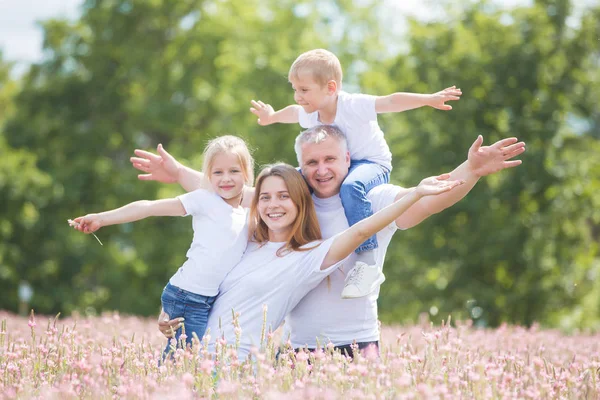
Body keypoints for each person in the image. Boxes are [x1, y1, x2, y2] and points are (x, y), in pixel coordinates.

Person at [131, 125, 525, 358]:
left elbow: (430, 198)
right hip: (297, 347)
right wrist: (179, 171)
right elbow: (230, 194)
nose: (321, 170)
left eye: (330, 160)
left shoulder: (374, 200)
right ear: (301, 165)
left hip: (356, 343)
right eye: (311, 163)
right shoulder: (289, 203)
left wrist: (471, 170)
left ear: (348, 159)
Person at [249, 48, 463, 299]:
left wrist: (427, 99)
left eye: (304, 90)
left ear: (330, 87)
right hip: (338, 165)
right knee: (289, 183)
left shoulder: (352, 105)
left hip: (371, 164)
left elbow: (390, 101)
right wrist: (271, 117)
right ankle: (286, 245)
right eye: (295, 89)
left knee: (352, 188)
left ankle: (367, 259)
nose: (297, 96)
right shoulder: (309, 114)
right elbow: (291, 113)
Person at [69, 135, 254, 357]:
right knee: (183, 359)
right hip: (188, 296)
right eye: (218, 172)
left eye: (234, 171)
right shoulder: (204, 200)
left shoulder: (244, 212)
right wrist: (102, 218)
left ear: (246, 173)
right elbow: (148, 207)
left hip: (209, 298)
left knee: (197, 357)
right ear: (208, 176)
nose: (226, 179)